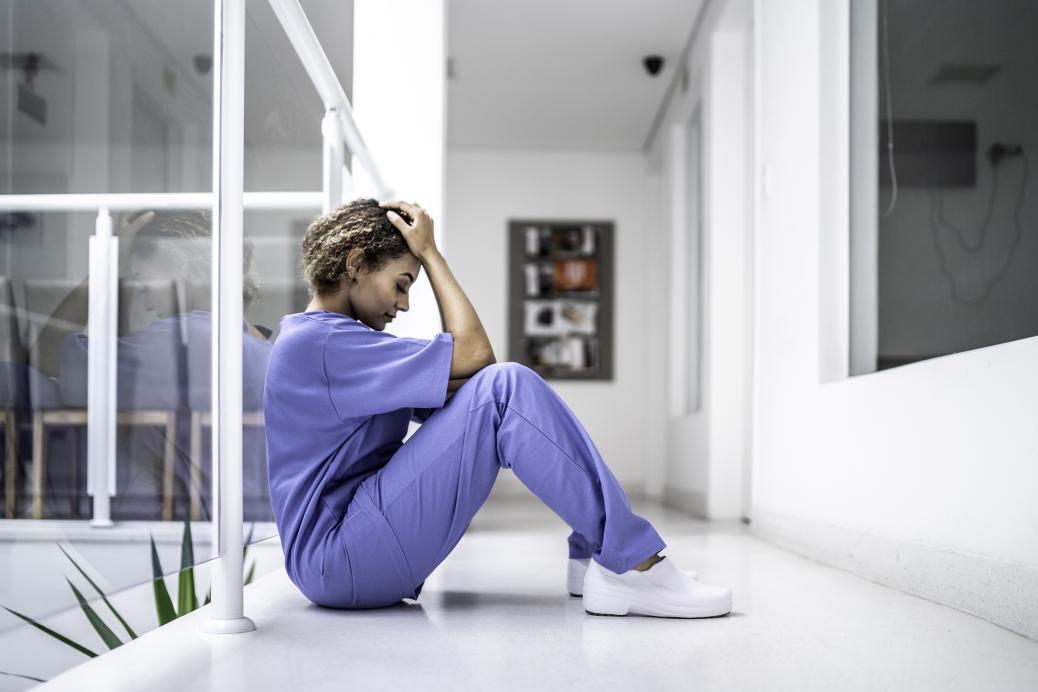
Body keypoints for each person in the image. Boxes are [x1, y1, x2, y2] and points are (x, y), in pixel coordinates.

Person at [263, 198, 733, 618]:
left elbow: (467, 386)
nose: (403, 305)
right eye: (401, 284)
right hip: (340, 556)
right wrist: (430, 252)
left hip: (347, 549)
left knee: (501, 386)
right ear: (356, 263)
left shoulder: (336, 343)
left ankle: (599, 551)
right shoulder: (321, 343)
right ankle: (633, 562)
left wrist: (477, 385)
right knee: (505, 383)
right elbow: (477, 358)